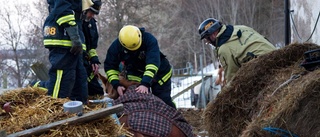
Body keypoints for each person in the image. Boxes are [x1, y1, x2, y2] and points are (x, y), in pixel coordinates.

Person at [104, 25, 176, 109]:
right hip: (136, 72)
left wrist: (145, 83)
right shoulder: (115, 47)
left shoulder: (149, 40)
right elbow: (110, 67)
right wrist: (116, 85)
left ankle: (174, 116)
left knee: (163, 101)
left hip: (160, 73)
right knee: (139, 99)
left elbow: (152, 64)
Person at [198, 18, 276, 83]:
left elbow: (232, 77)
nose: (208, 42)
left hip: (263, 66)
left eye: (207, 40)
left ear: (213, 34)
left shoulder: (224, 49)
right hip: (275, 53)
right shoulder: (241, 27)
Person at [42, 0, 88, 103]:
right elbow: (62, 7)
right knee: (62, 76)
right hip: (63, 33)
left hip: (72, 32)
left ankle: (78, 110)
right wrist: (74, 35)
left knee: (79, 78)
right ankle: (54, 108)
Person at [82, 0, 104, 96]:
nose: (92, 16)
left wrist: (94, 60)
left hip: (86, 62)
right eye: (91, 12)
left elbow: (92, 47)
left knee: (97, 91)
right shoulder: (75, 21)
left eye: (94, 13)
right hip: (75, 61)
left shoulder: (92, 24)